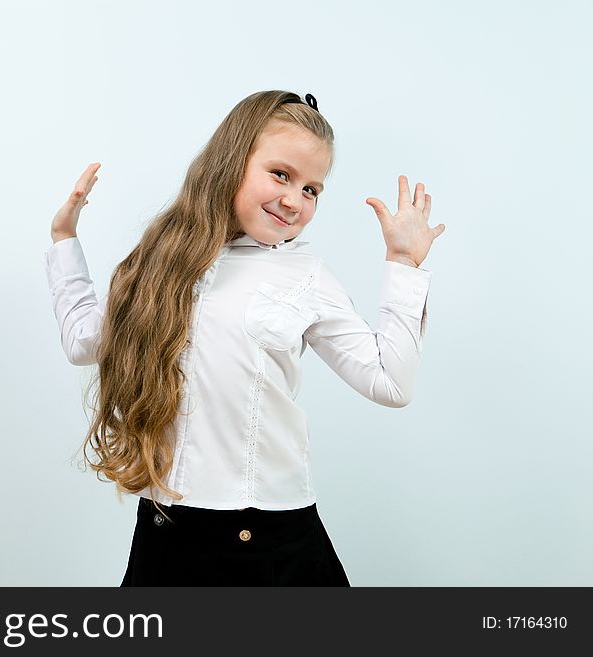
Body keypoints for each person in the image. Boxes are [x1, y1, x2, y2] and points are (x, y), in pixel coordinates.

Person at [42, 90, 445, 586]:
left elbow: (391, 383)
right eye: (281, 174)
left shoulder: (306, 275)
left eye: (312, 189)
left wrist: (404, 266)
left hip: (275, 540)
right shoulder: (158, 262)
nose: (295, 200)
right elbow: (83, 340)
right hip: (168, 534)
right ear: (232, 161)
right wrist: (64, 240)